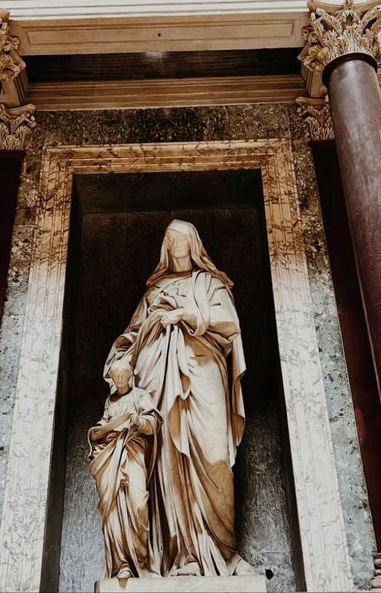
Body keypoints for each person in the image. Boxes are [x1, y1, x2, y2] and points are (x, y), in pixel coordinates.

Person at [104, 219, 253, 577]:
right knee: (168, 462)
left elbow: (229, 323)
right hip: (159, 380)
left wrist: (188, 314)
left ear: (194, 244)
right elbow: (129, 338)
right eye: (170, 240)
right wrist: (123, 361)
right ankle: (183, 555)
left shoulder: (210, 283)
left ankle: (224, 551)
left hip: (203, 371)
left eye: (182, 238)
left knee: (216, 456)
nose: (176, 244)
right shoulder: (153, 293)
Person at [88, 359, 162, 580]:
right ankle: (121, 564)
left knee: (138, 502)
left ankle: (142, 561)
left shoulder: (139, 396)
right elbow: (103, 424)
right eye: (116, 377)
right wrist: (100, 431)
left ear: (129, 375)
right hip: (110, 455)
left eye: (123, 376)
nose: (120, 380)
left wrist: (139, 422)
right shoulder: (110, 401)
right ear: (112, 378)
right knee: (111, 508)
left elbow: (154, 420)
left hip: (132, 451)